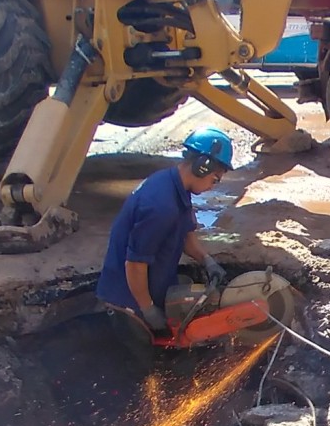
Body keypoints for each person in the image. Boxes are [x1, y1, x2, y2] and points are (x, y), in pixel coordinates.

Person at [96, 127, 231, 345]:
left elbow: (185, 233)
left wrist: (207, 261)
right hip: (129, 304)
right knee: (145, 369)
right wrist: (148, 309)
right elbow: (135, 264)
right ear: (202, 167)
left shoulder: (174, 185)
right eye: (215, 179)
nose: (212, 186)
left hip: (149, 291)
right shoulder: (160, 206)